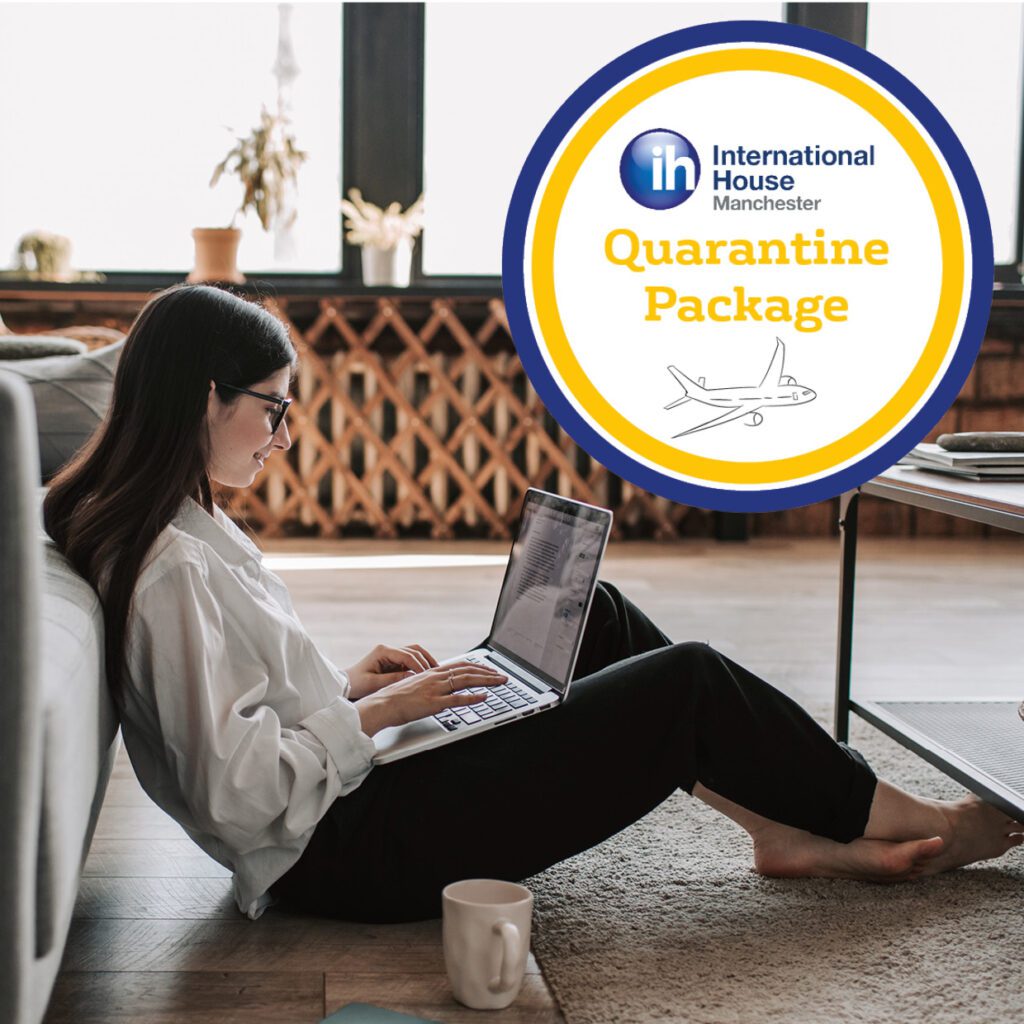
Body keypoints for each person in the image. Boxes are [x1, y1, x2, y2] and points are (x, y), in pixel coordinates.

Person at [44, 284, 1024, 924]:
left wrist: (349, 683)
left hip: (346, 799)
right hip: (337, 856)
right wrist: (375, 716)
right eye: (273, 406)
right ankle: (904, 816)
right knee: (687, 683)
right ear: (202, 396)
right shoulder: (172, 564)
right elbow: (238, 795)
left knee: (592, 614)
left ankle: (775, 826)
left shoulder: (187, 528)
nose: (284, 434)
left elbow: (238, 714)